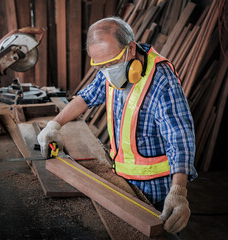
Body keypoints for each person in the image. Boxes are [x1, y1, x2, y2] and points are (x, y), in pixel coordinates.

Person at [37, 17, 197, 234]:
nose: (107, 71)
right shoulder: (109, 70)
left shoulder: (161, 80)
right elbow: (87, 97)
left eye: (111, 63)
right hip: (122, 180)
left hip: (158, 189)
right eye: (100, 65)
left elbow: (180, 138)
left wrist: (178, 191)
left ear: (131, 49)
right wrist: (54, 125)